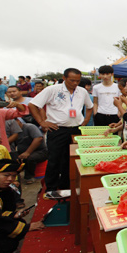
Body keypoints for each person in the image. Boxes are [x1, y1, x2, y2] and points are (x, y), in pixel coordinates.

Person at [29, 68, 93, 199]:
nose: (75, 83)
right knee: (54, 159)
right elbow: (33, 105)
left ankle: (66, 186)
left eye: (78, 80)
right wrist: (42, 122)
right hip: (57, 129)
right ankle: (51, 188)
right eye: (72, 80)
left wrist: (85, 121)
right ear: (64, 78)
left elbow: (90, 107)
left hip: (76, 129)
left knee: (70, 160)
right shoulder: (52, 90)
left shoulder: (82, 91)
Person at [13, 119, 48, 183]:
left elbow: (39, 138)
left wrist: (27, 152)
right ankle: (15, 177)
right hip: (23, 152)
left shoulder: (29, 127)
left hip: (40, 151)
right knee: (12, 157)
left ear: (18, 121)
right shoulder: (14, 132)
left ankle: (29, 177)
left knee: (30, 158)